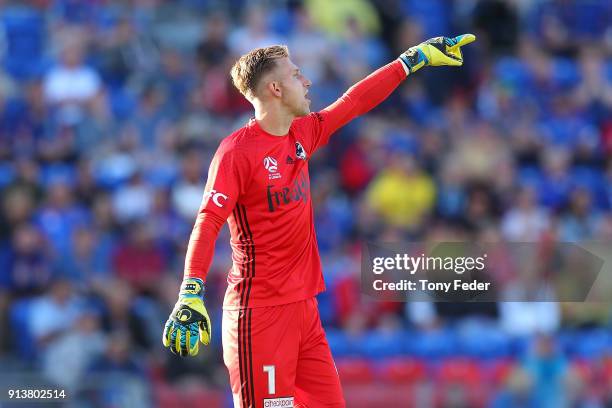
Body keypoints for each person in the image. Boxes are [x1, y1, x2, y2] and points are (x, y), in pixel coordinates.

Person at [162, 34, 476, 407]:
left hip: (304, 311)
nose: (306, 81)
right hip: (259, 316)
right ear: (276, 88)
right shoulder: (236, 153)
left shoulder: (301, 133)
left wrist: (412, 58)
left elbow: (354, 102)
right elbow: (208, 221)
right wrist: (190, 290)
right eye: (297, 75)